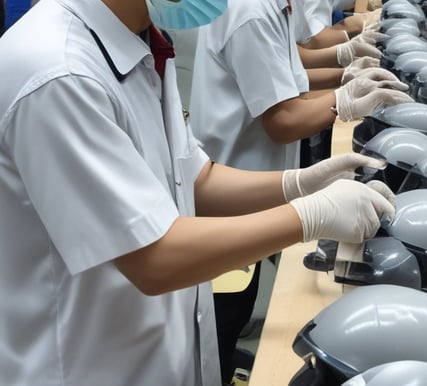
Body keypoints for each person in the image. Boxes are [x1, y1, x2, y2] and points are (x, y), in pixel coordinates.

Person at [0, 0, 396, 385]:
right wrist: (308, 216)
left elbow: (194, 179)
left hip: (153, 347)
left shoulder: (139, 41)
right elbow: (153, 258)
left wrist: (300, 183)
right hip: (87, 364)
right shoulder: (58, 73)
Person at [188, 0, 410, 383]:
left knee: (235, 300)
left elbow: (284, 69)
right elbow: (284, 119)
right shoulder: (251, 12)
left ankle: (221, 359)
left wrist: (345, 71)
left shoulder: (271, 6)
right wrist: (342, 100)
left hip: (248, 181)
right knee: (223, 308)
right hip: (235, 186)